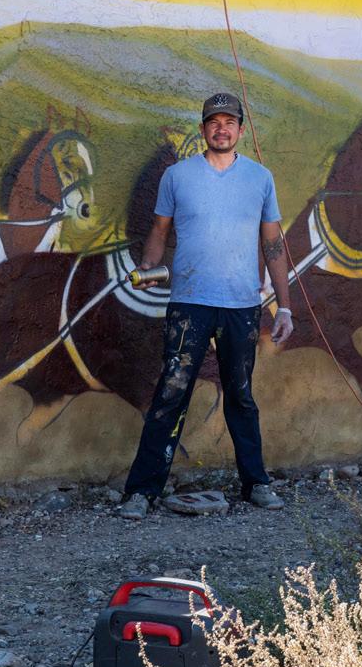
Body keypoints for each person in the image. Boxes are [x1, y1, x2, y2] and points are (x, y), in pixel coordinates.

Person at [116, 92, 294, 520]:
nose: (221, 129)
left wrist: (285, 307)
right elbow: (159, 230)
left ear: (241, 131)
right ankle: (141, 492)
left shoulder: (260, 178)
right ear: (203, 129)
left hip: (241, 305)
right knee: (171, 393)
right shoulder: (177, 176)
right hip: (189, 304)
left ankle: (256, 483)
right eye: (214, 122)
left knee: (241, 396)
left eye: (229, 122)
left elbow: (272, 244)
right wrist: (147, 265)